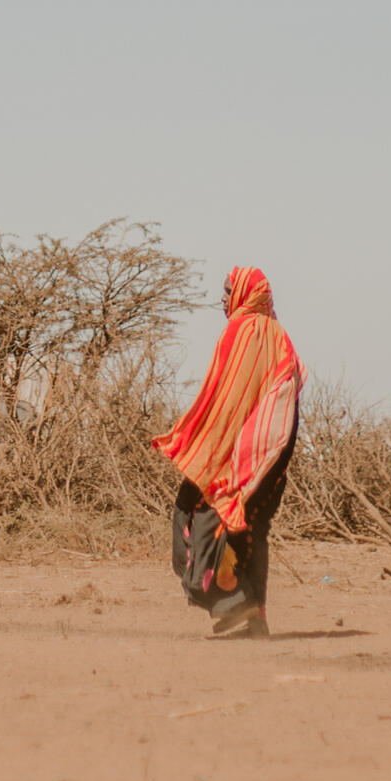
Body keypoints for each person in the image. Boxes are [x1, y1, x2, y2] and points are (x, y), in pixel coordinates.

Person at [151, 265, 304, 638]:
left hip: (238, 457)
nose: (221, 297)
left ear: (244, 295)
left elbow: (223, 403)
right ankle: (254, 619)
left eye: (227, 290)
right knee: (250, 532)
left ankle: (234, 606)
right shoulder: (279, 337)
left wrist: (198, 445)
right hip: (271, 456)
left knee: (195, 520)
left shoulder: (240, 332)